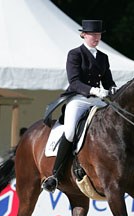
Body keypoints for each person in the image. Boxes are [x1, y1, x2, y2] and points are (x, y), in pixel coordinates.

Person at [42, 19, 116, 193]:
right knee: (69, 132)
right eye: (92, 34)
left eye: (98, 34)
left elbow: (108, 80)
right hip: (79, 99)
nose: (96, 38)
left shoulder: (103, 57)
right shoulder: (75, 54)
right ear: (84, 34)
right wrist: (94, 90)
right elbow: (74, 82)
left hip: (97, 101)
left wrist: (112, 87)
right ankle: (55, 175)